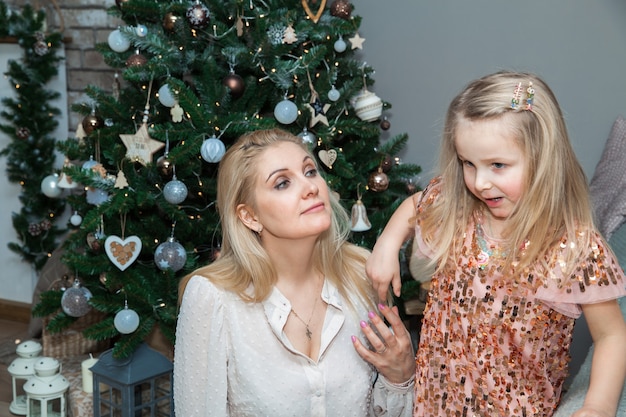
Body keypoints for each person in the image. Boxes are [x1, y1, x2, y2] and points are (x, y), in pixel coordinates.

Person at [366, 71, 626, 417]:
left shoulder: (573, 248)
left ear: (544, 158)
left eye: (498, 165)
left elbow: (612, 336)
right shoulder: (456, 206)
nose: (480, 182)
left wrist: (598, 406)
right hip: (432, 407)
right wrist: (387, 243)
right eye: (467, 164)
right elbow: (415, 206)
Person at [174, 128, 416, 416]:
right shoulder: (213, 298)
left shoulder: (359, 277)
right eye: (282, 183)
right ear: (250, 216)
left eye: (310, 171)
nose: (311, 187)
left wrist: (400, 379)